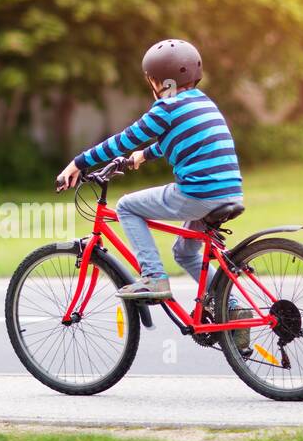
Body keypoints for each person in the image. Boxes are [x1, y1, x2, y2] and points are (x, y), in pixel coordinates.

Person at [55, 39, 245, 312]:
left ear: (160, 82)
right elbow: (179, 138)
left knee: (127, 207)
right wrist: (144, 155)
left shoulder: (166, 107)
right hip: (228, 191)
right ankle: (232, 307)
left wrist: (78, 163)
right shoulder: (202, 102)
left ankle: (154, 279)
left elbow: (123, 141)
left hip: (198, 194)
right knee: (185, 252)